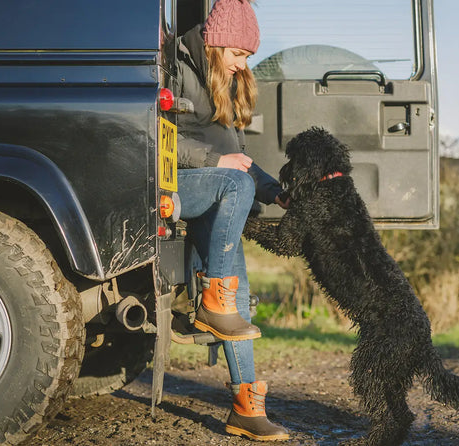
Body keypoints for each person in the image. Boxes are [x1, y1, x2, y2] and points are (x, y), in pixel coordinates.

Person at [172, 0, 290, 441]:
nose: (243, 64)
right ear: (216, 42)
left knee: (238, 306)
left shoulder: (229, 83)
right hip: (179, 183)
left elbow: (238, 160)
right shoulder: (177, 66)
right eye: (239, 53)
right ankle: (212, 302)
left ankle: (246, 408)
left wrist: (276, 191)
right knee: (234, 183)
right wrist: (214, 160)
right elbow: (156, 137)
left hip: (220, 186)